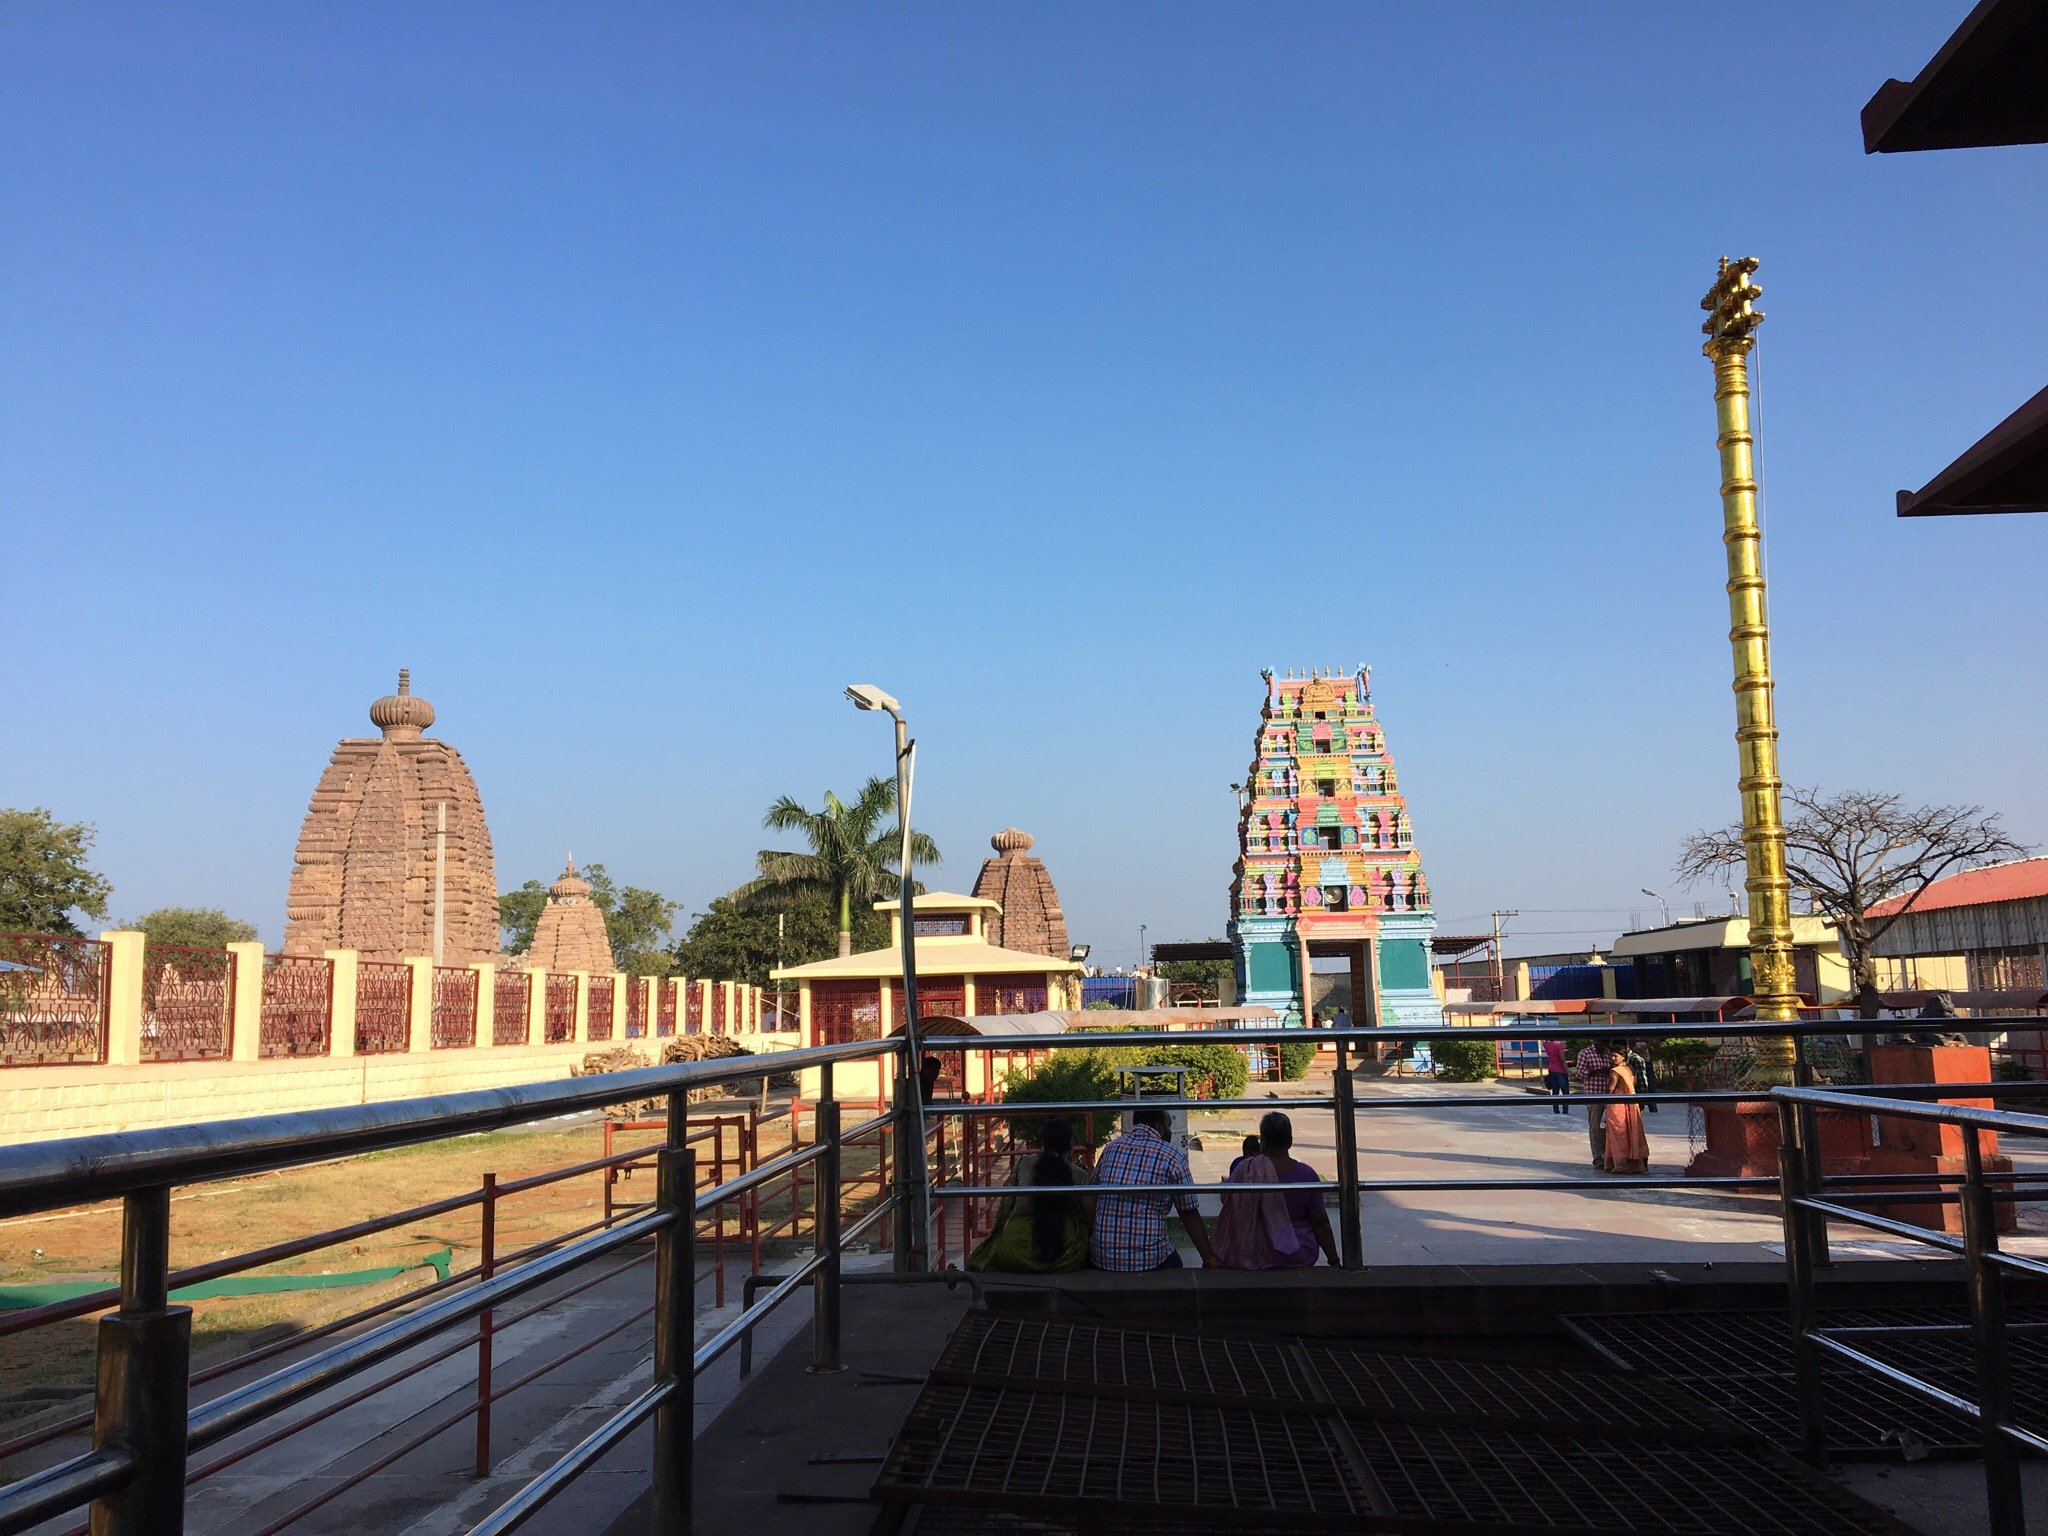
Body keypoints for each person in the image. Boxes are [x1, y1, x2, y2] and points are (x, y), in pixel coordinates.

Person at [1090, 1108, 1216, 1270]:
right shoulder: (1172, 1157)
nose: (1170, 1131)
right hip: (1149, 1261)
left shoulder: (1111, 1149)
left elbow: (1090, 1194)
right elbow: (1188, 1212)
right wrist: (1209, 1259)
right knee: (1176, 1264)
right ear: (1159, 1126)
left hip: (1102, 1258)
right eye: (1168, 1125)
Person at [1212, 1111, 1339, 1270]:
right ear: (1290, 1141)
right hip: (1297, 1254)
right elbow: (1320, 1222)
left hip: (1252, 1252)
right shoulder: (1307, 1175)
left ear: (1263, 1142)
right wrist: (1333, 1260)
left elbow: (1227, 1200)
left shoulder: (1247, 1169)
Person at [966, 1117, 1091, 1273]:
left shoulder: (1023, 1164)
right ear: (1071, 1144)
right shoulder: (1081, 1176)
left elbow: (1006, 1209)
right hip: (1065, 1257)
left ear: (1042, 1143)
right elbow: (1089, 1220)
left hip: (1015, 1252)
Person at [1601, 1052, 1650, 1174]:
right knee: (1633, 1133)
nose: (1612, 1058)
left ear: (1623, 1056)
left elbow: (1610, 1088)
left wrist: (1603, 1100)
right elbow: (1635, 1083)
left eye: (1615, 1056)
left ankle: (1620, 1164)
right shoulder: (1630, 1069)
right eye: (1611, 1056)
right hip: (1631, 1103)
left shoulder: (1615, 1071)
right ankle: (1636, 1162)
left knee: (1617, 1135)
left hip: (1617, 1104)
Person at [1573, 1040, 1617, 1168]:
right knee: (1596, 1128)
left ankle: (1610, 1156)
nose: (1604, 1044)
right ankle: (1598, 1158)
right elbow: (1580, 1073)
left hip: (1609, 1095)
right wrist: (1598, 1071)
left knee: (1610, 1128)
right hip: (1594, 1094)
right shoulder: (1585, 1053)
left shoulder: (1609, 1053)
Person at [1542, 1038, 1570, 1114]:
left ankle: (1556, 1110)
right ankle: (1565, 1110)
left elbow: (1543, 1042)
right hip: (1561, 1071)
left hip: (1551, 1069)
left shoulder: (1547, 1045)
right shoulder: (1558, 1046)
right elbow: (1562, 1060)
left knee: (1555, 1091)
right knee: (1565, 1092)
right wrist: (1567, 1071)